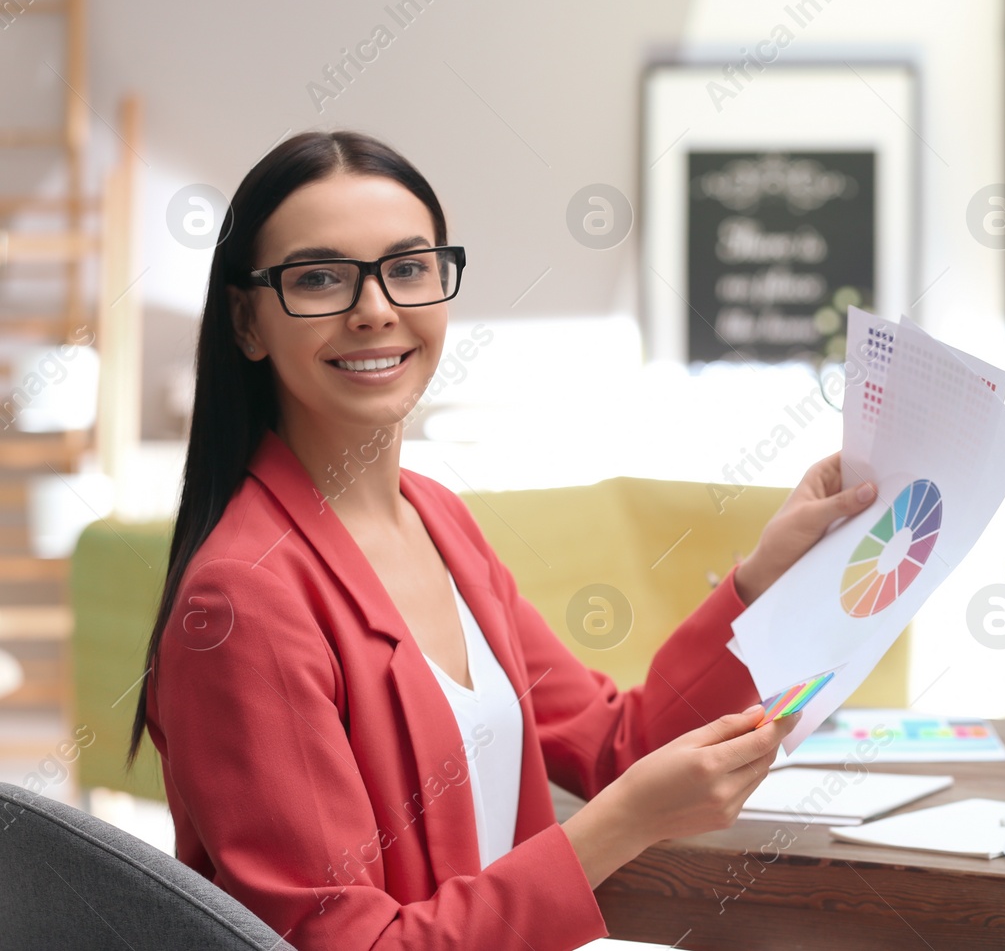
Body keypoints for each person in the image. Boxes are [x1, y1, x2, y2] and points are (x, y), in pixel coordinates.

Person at [126, 130, 876, 950]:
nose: (375, 307)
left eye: (407, 268)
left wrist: (767, 575)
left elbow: (618, 743)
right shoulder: (242, 599)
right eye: (319, 278)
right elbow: (347, 944)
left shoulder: (439, 519)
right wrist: (616, 827)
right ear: (247, 321)